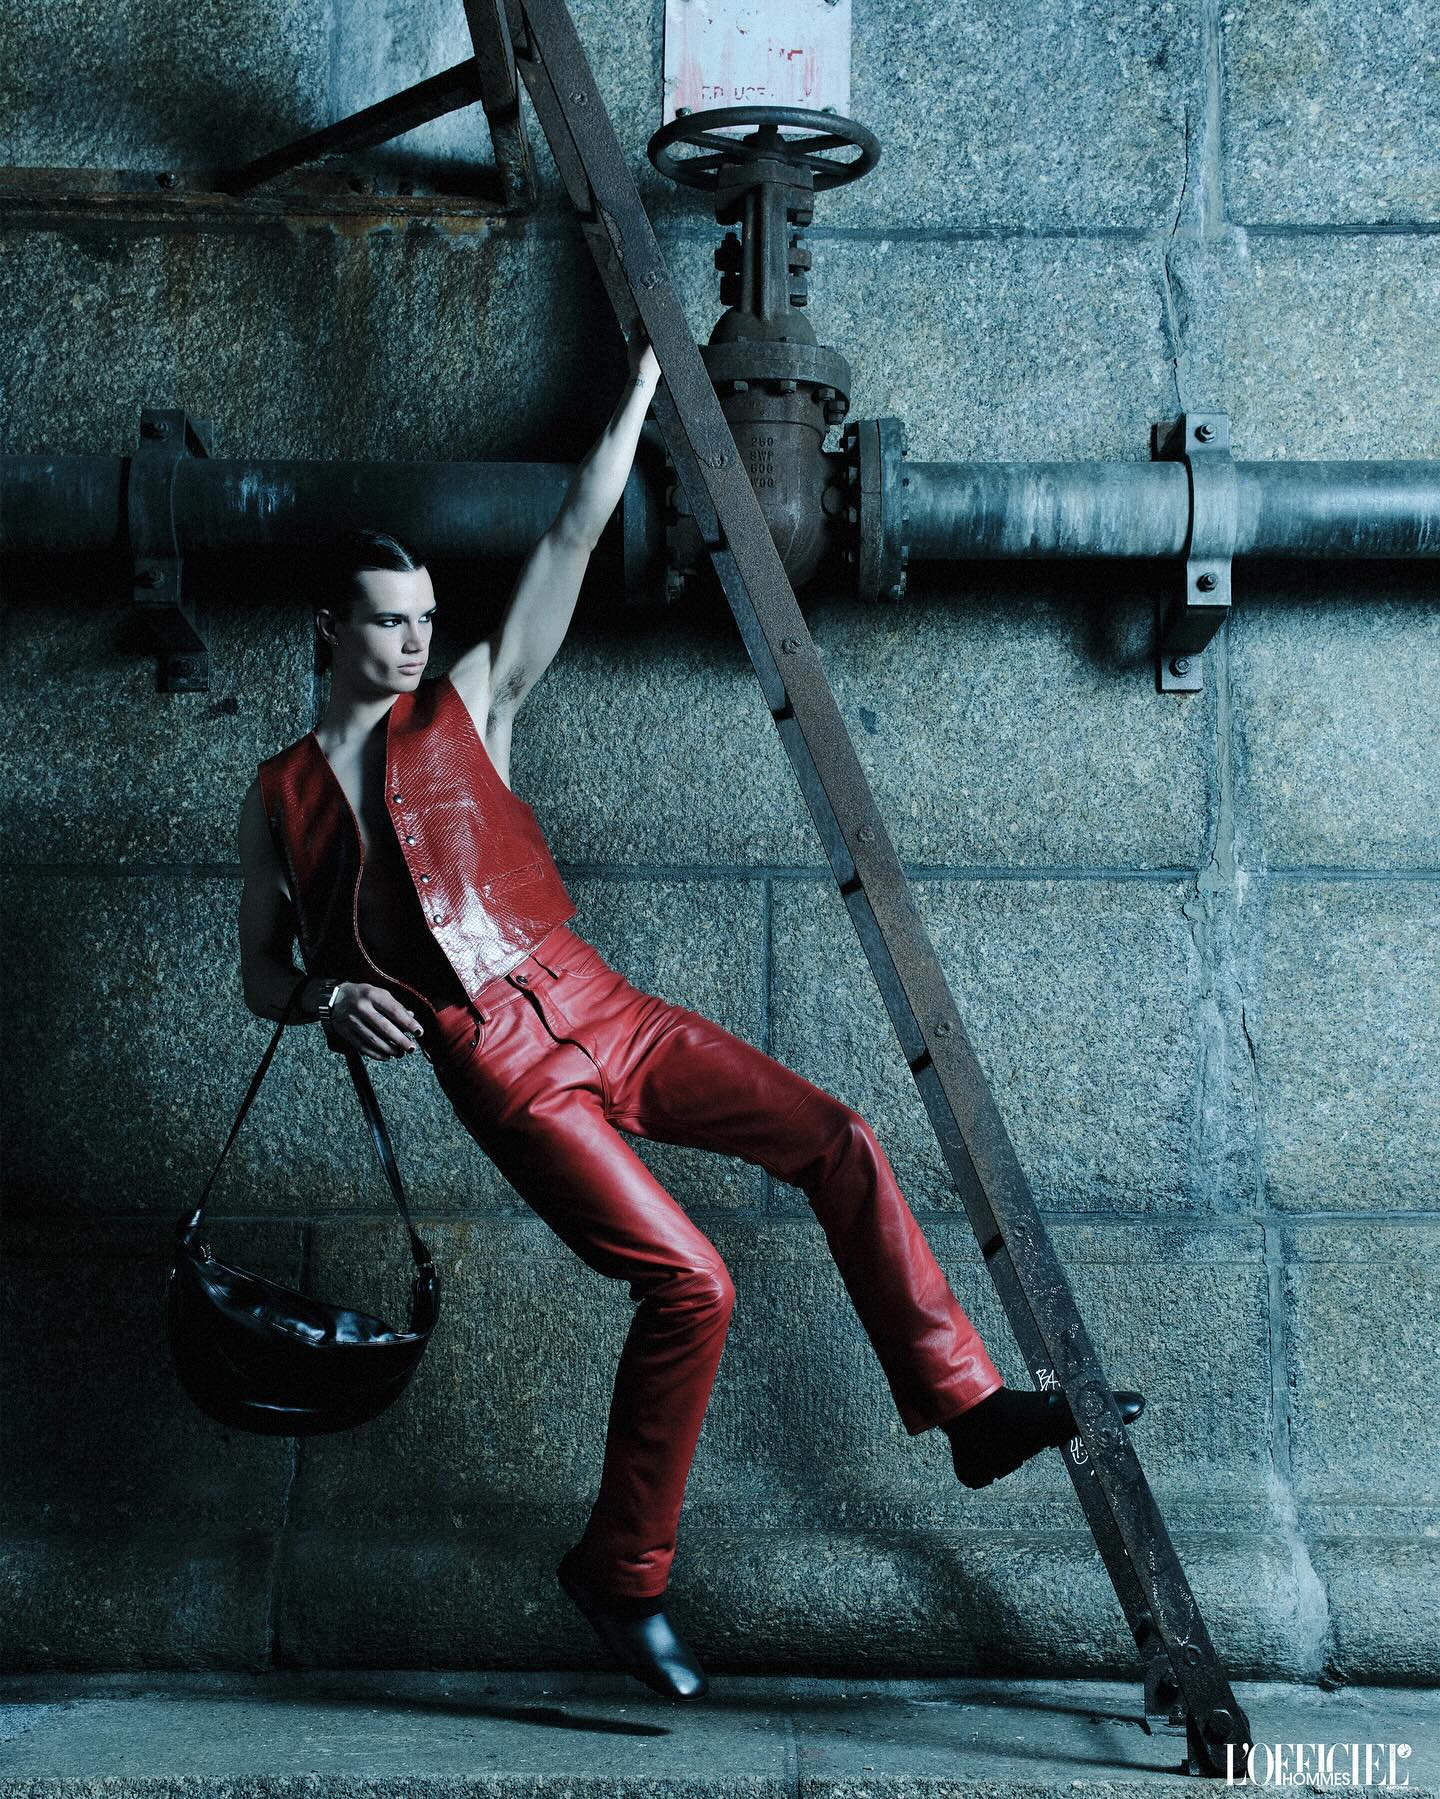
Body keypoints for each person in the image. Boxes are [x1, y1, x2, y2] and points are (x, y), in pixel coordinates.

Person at [236, 329, 1145, 1702]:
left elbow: (573, 532)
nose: (416, 639)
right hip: (499, 1065)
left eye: (423, 616)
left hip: (597, 996)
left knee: (836, 1134)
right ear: (328, 627)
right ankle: (622, 1573)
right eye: (387, 620)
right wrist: (326, 993)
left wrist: (649, 383)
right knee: (692, 1282)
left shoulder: (471, 702)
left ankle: (965, 1406)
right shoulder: (276, 798)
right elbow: (262, 974)